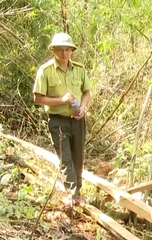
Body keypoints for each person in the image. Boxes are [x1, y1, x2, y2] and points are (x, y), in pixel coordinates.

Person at [33, 32, 91, 206]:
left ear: (72, 51)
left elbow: (87, 92)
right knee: (65, 158)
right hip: (58, 121)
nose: (64, 53)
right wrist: (60, 100)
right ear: (53, 51)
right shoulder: (45, 71)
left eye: (67, 50)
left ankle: (77, 191)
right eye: (60, 50)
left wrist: (82, 108)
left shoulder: (79, 69)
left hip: (77, 120)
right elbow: (37, 98)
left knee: (77, 157)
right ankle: (72, 195)